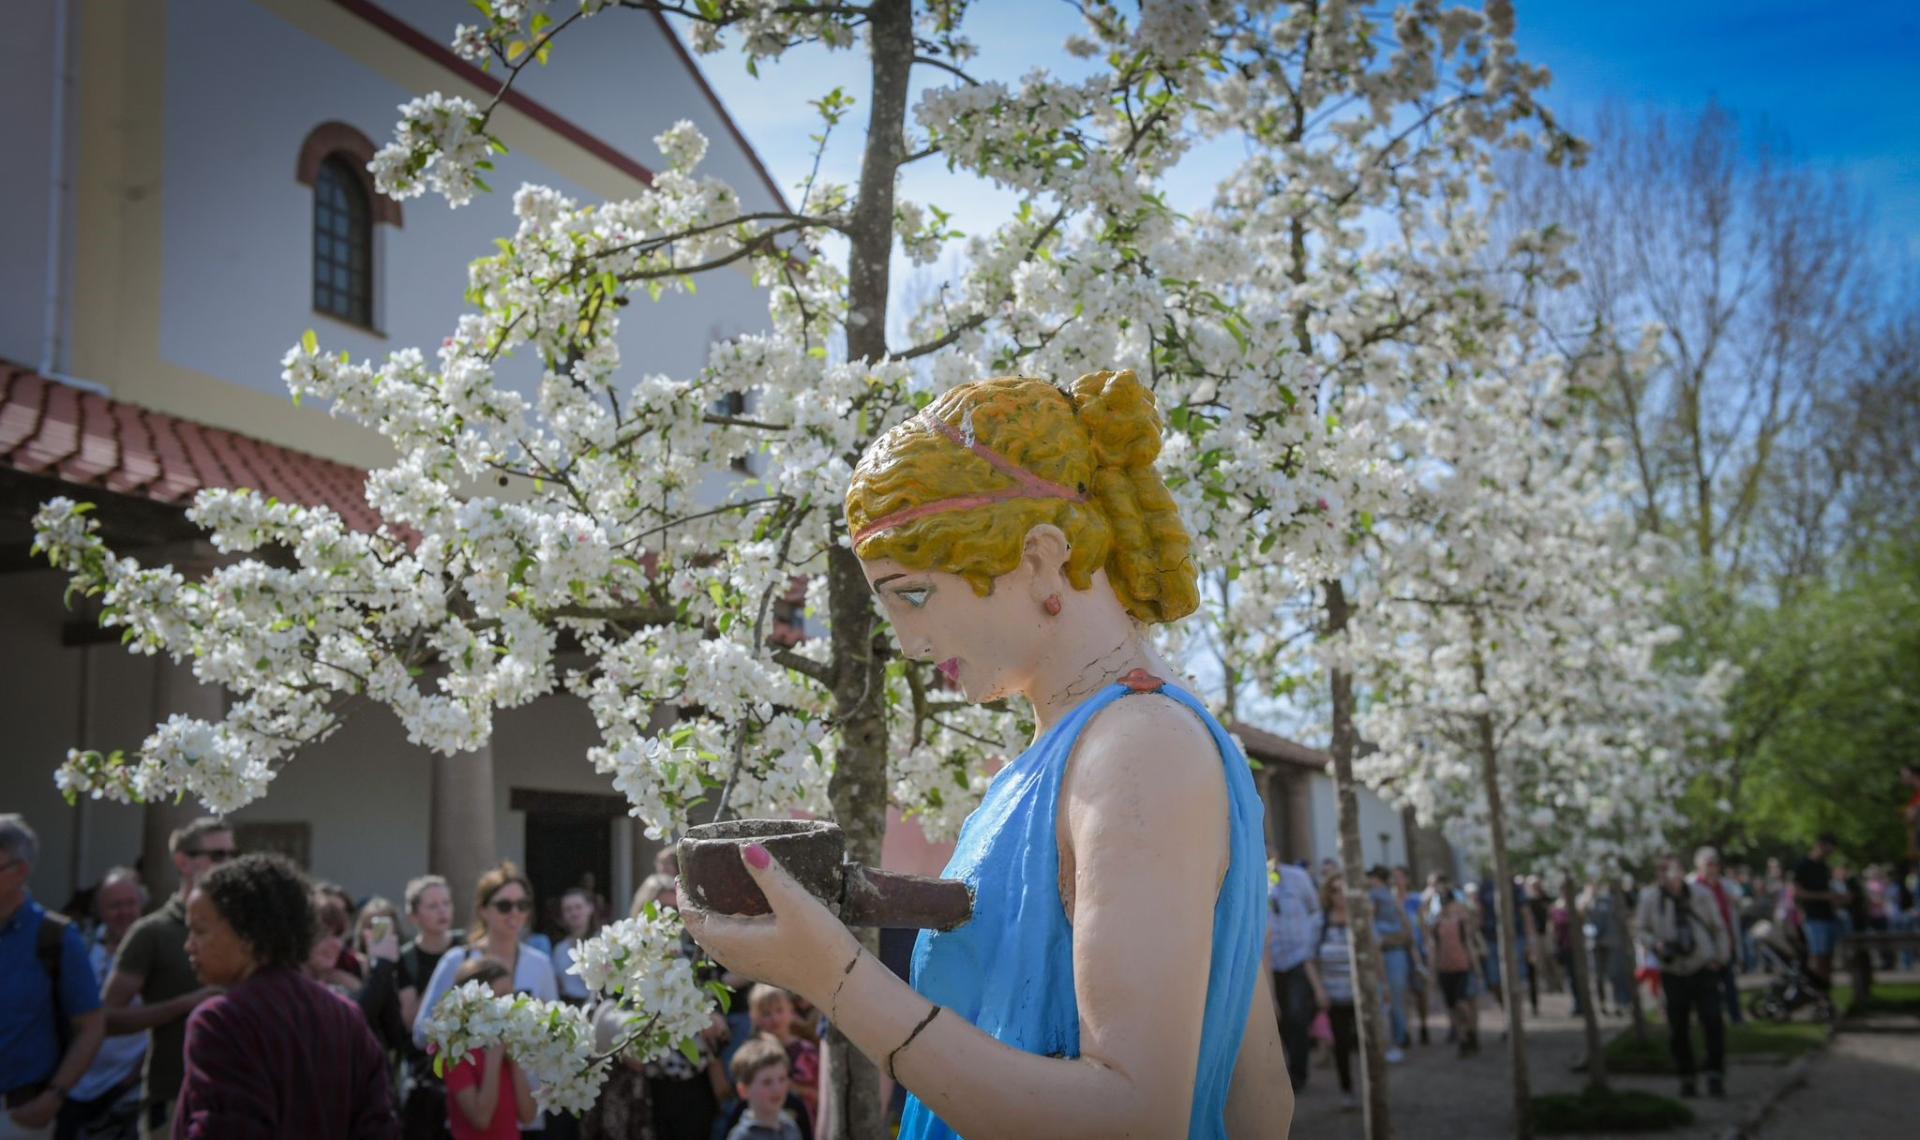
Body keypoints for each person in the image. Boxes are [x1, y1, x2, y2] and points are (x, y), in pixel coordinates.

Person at [682, 374, 1288, 1138]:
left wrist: (836, 979)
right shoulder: (1073, 757)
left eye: (914, 594)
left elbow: (1136, 1118)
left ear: (1039, 558)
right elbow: (1261, 1095)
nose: (906, 641)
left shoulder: (1138, 751)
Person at [175, 853, 398, 1137]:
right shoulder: (345, 1015)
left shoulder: (222, 1020)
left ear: (247, 935)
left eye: (199, 931)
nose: (189, 946)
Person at [103, 817, 228, 1139]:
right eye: (216, 856)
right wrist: (186, 1004)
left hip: (236, 1095)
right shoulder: (152, 932)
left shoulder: (239, 927)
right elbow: (106, 1018)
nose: (228, 864)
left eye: (233, 853)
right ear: (183, 862)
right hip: (172, 1095)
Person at [1, 815, 106, 1140]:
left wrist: (54, 1097)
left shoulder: (54, 937)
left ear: (20, 871)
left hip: (18, 1114)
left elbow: (91, 1025)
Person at [413, 864, 558, 1052]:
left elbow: (554, 1028)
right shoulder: (456, 960)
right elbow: (421, 1033)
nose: (515, 912)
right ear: (483, 910)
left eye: (522, 905)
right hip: (470, 1077)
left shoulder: (540, 964)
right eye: (504, 906)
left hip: (526, 1078)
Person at [59, 869, 148, 1140]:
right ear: (100, 910)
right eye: (115, 905)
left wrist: (135, 1075)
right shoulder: (80, 947)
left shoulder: (157, 953)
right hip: (74, 1084)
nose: (124, 912)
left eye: (130, 903)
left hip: (127, 1088)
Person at [1634, 856, 1732, 1099]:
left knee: (1712, 1020)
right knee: (1678, 1027)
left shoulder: (1701, 895)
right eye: (1663, 872)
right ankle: (1686, 1076)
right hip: (1674, 969)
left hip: (1702, 965)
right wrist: (1655, 943)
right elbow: (1641, 929)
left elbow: (1718, 926)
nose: (1669, 877)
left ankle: (1715, 1073)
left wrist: (1720, 957)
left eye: (1672, 871)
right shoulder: (1650, 899)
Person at [442, 960, 537, 1140]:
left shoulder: (508, 1044)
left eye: (511, 995)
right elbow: (481, 1120)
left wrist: (515, 1062)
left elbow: (528, 1116)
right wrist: (494, 1059)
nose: (510, 1004)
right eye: (501, 995)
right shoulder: (456, 1051)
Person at [1266, 857, 1321, 1091]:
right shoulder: (1255, 880)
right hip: (1270, 960)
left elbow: (1314, 909)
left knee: (1297, 1014)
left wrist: (1309, 943)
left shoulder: (1298, 878)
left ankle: (1299, 1072)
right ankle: (1286, 1066)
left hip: (1298, 957)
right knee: (1278, 1019)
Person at [1308, 876, 1361, 1111]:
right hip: (1335, 995)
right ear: (1328, 894)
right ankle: (1347, 1090)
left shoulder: (1360, 920)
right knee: (1341, 1045)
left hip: (1362, 995)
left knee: (1361, 1043)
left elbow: (1375, 955)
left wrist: (1383, 986)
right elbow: (1310, 958)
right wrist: (1319, 989)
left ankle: (1369, 1088)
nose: (1341, 895)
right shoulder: (1321, 922)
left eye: (1344, 889)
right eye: (1335, 890)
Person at [747, 986, 818, 1123]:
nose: (774, 1018)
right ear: (754, 1018)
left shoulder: (807, 1052)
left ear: (791, 1010)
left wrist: (797, 1089)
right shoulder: (753, 1054)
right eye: (766, 1013)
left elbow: (824, 1095)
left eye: (779, 1010)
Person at [1427, 882, 1482, 1057]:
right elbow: (1434, 948)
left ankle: (1471, 1032)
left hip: (1463, 967)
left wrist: (1476, 967)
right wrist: (1433, 972)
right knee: (1452, 1007)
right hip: (1445, 968)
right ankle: (1463, 1039)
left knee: (1463, 1004)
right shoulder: (1435, 924)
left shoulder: (1461, 920)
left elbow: (1468, 943)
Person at [1364, 866, 1410, 1060]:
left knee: (1390, 997)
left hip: (1390, 952)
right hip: (1388, 950)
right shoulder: (1383, 896)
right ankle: (1397, 1037)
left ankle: (1398, 1037)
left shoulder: (1380, 895)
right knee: (1391, 997)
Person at [723, 1039, 801, 1140]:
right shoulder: (742, 1136)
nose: (777, 1089)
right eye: (767, 1082)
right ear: (744, 1090)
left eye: (782, 1079)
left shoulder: (790, 1126)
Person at [1791, 834, 1842, 990]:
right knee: (1818, 956)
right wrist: (1822, 896)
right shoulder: (1803, 865)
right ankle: (1815, 991)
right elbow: (1797, 893)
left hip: (1829, 916)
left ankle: (1826, 991)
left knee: (1828, 957)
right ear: (1820, 845)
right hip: (1814, 917)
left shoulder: (1824, 867)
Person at [551, 889, 599, 1006]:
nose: (574, 913)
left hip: (597, 1007)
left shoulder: (602, 943)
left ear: (590, 908)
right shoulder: (559, 949)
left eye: (578, 907)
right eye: (568, 909)